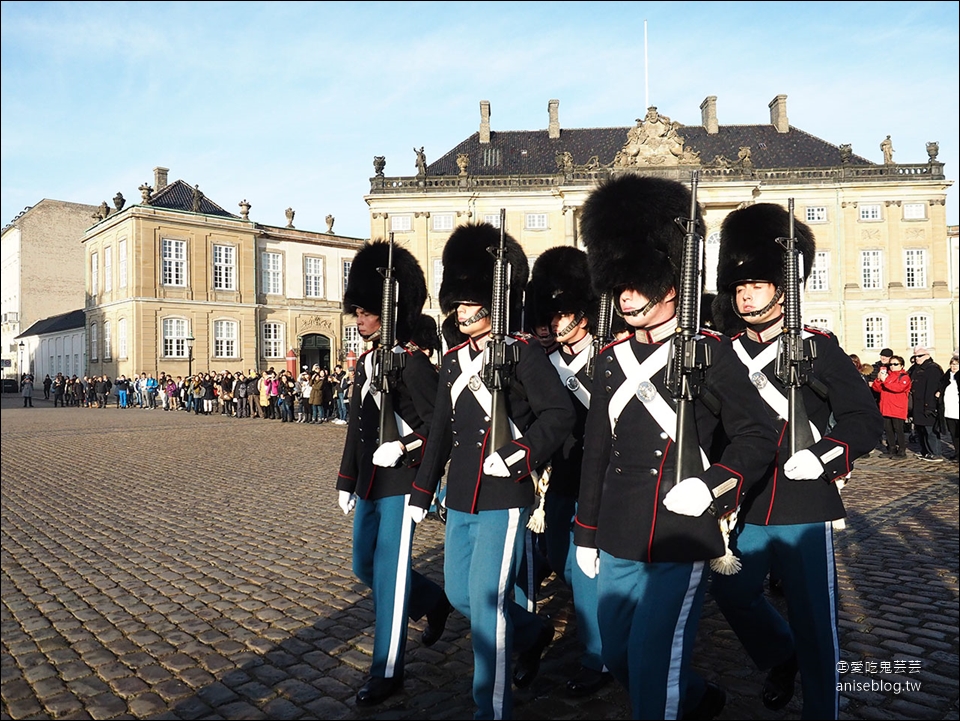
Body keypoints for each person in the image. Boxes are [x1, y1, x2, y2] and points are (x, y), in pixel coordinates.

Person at [573, 175, 777, 721]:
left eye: (638, 282)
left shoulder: (711, 352)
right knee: (617, 654)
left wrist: (714, 486)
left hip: (680, 531)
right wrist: (585, 533)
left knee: (653, 660)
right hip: (617, 529)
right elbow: (597, 451)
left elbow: (759, 434)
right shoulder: (611, 358)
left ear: (669, 285)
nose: (626, 296)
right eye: (621, 283)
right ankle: (695, 697)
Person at [709, 202, 882, 720]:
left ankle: (822, 710)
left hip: (803, 500)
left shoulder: (819, 348)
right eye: (739, 287)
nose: (745, 294)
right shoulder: (722, 351)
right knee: (733, 592)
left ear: (783, 287)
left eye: (757, 285)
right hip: (747, 500)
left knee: (816, 621)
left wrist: (828, 455)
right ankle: (780, 656)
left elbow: (861, 420)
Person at [410, 222, 575, 720]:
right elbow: (439, 430)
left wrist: (522, 453)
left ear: (490, 302)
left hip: (504, 496)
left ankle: (492, 706)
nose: (459, 313)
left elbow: (558, 415)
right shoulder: (456, 357)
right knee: (460, 593)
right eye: (456, 304)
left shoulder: (522, 352)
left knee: (484, 601)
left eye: (467, 303)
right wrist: (422, 489)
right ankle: (533, 632)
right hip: (460, 495)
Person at [336, 239, 451, 706]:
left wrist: (402, 446)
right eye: (357, 311)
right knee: (363, 564)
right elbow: (356, 431)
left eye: (365, 311)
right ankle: (433, 602)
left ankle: (387, 669)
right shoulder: (367, 362)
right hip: (370, 484)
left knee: (388, 574)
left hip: (401, 481)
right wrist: (346, 480)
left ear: (388, 309)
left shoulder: (413, 363)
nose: (359, 319)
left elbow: (439, 430)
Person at [524, 245, 609, 697]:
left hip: (601, 478)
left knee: (583, 571)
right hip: (561, 477)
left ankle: (599, 656)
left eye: (563, 314)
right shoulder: (546, 362)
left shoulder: (611, 357)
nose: (555, 323)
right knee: (560, 560)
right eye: (551, 315)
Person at [872, 355, 911, 457]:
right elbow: (877, 389)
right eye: (891, 364)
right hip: (886, 407)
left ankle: (902, 450)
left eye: (895, 364)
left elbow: (898, 388)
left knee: (898, 429)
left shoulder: (904, 377)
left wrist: (885, 381)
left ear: (901, 365)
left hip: (897, 407)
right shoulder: (888, 375)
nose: (892, 366)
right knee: (888, 429)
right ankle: (891, 448)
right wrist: (879, 380)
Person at [910, 346, 944, 462]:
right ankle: (925, 451)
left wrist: (929, 406)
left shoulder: (932, 369)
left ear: (927, 356)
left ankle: (935, 452)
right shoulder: (916, 368)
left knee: (930, 430)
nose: (917, 358)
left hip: (927, 404)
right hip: (917, 405)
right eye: (915, 356)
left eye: (919, 356)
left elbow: (932, 388)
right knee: (921, 429)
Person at [939, 355, 959, 462]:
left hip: (958, 410)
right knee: (953, 434)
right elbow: (941, 388)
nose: (954, 366)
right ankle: (957, 453)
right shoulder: (946, 377)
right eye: (952, 364)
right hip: (949, 410)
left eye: (956, 364)